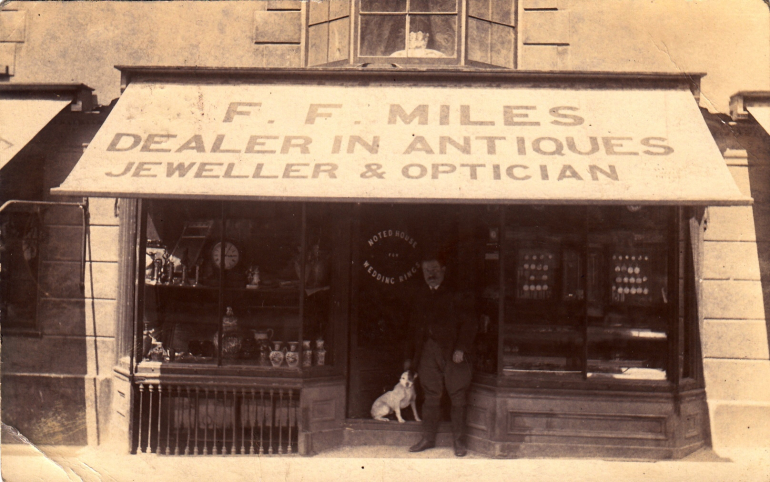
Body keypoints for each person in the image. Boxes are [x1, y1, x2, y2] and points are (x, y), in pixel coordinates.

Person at [404, 251, 477, 457]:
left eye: (435, 269)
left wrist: (461, 348)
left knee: (458, 396)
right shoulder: (419, 295)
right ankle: (428, 439)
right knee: (431, 396)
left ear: (443, 270)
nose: (431, 274)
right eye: (427, 270)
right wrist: (409, 358)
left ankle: (459, 442)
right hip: (427, 352)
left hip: (454, 352)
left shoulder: (457, 294)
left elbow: (470, 323)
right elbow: (412, 329)